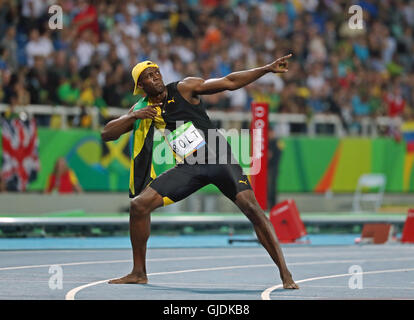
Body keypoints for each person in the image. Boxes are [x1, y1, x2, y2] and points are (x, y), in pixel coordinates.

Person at [101, 55, 299, 289]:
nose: (156, 77)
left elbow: (229, 82)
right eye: (148, 76)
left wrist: (266, 69)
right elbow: (107, 134)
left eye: (156, 72)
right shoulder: (143, 108)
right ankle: (138, 272)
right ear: (140, 86)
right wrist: (134, 116)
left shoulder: (184, 88)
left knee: (252, 209)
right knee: (138, 205)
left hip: (219, 159)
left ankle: (285, 274)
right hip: (191, 166)